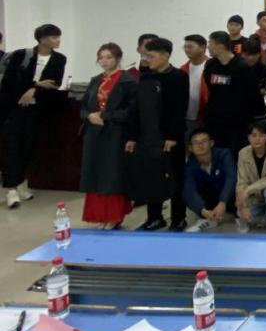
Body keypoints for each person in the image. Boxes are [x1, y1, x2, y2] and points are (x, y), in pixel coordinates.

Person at [125, 37, 189, 231]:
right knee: (151, 177)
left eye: (151, 56)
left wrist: (173, 136)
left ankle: (178, 218)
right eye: (146, 56)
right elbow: (137, 109)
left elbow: (180, 109)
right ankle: (154, 218)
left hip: (170, 137)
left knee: (175, 178)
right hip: (147, 136)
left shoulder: (179, 77)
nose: (147, 59)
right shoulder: (146, 77)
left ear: (165, 56)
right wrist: (132, 136)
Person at [1, 24, 67, 209]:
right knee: (11, 147)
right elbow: (10, 80)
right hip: (13, 108)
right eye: (54, 37)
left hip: (37, 109)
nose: (58, 41)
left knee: (29, 146)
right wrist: (36, 84)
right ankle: (11, 189)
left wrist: (33, 89)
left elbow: (54, 82)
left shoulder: (59, 58)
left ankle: (21, 182)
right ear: (43, 39)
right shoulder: (22, 55)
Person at [80, 43, 136, 229]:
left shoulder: (127, 81)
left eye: (109, 57)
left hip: (116, 134)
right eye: (101, 57)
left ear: (117, 59)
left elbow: (131, 110)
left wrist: (106, 116)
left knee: (112, 175)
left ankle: (114, 216)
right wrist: (89, 115)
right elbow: (84, 105)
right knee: (95, 174)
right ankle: (99, 215)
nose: (104, 61)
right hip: (94, 133)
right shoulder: (96, 80)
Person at [204, 31, 261, 156]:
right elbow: (210, 87)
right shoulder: (210, 65)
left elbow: (253, 96)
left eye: (210, 43)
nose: (208, 47)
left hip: (237, 125)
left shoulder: (242, 67)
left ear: (220, 46)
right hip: (215, 122)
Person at [182, 129, 237, 232]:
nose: (200, 145)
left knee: (236, 191)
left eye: (204, 141)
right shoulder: (190, 166)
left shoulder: (224, 154)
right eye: (196, 143)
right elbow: (189, 190)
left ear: (211, 143)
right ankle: (208, 217)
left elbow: (231, 177)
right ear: (190, 148)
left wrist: (223, 201)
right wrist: (202, 211)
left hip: (228, 197)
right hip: (209, 201)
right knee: (186, 190)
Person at [235, 122, 266, 234]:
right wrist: (243, 206)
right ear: (248, 138)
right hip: (255, 196)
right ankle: (265, 216)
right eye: (253, 136)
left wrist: (248, 189)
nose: (257, 139)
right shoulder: (243, 153)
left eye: (261, 135)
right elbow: (241, 181)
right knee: (240, 213)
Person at [181, 34, 209, 136]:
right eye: (185, 47)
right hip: (186, 118)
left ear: (203, 47)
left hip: (207, 118)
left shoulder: (212, 67)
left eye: (190, 47)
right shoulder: (183, 69)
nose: (187, 50)